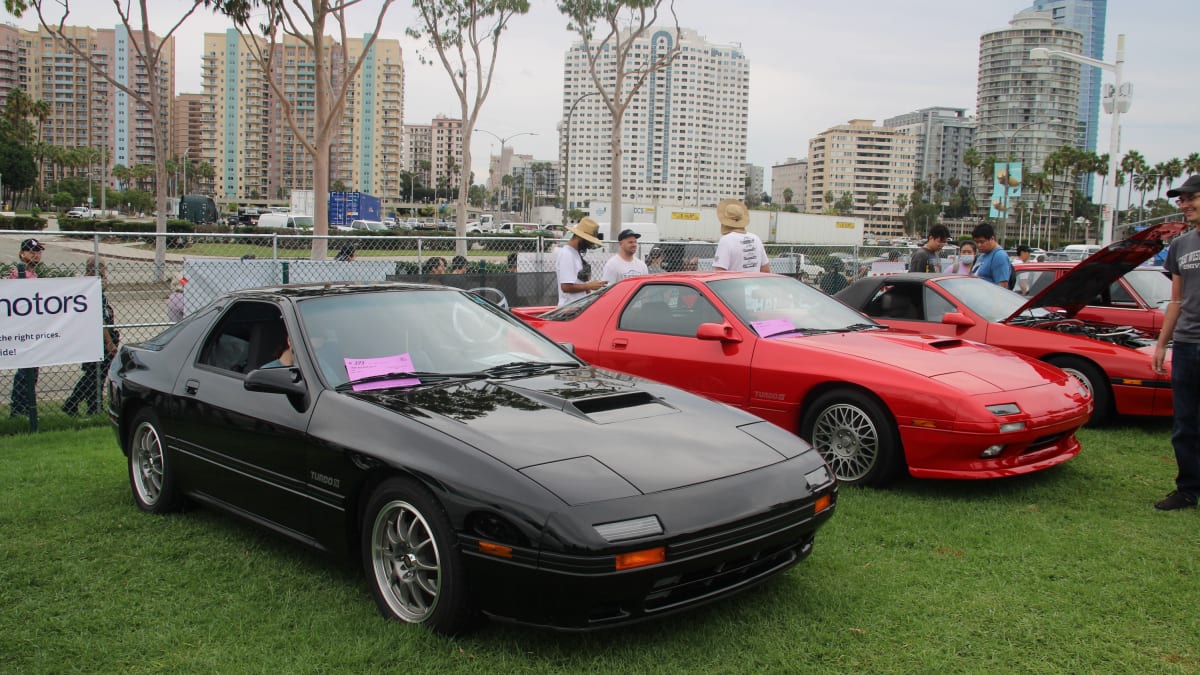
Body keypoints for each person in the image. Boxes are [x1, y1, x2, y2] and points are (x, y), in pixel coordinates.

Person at [1152, 174, 1200, 510]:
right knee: (1185, 422)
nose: (1184, 205)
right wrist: (1161, 343)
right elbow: (1176, 300)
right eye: (1181, 200)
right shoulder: (1181, 245)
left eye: (1190, 198)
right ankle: (1188, 489)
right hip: (1186, 344)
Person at [63, 258, 119, 416]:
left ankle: (93, 406)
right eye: (101, 267)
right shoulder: (91, 289)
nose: (104, 271)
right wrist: (109, 342)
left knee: (97, 375)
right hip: (99, 338)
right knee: (94, 374)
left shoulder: (98, 288)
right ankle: (72, 403)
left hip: (106, 334)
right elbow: (98, 317)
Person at [8, 238, 43, 429]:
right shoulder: (18, 275)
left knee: (32, 371)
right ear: (22, 254)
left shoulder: (34, 275)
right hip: (23, 332)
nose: (35, 254)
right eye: (31, 251)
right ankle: (18, 408)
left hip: (33, 332)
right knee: (25, 371)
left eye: (37, 251)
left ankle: (25, 407)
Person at [555, 217, 606, 306]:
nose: (590, 245)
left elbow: (576, 281)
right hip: (569, 310)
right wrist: (589, 286)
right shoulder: (567, 254)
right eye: (589, 241)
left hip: (576, 307)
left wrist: (588, 287)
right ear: (580, 237)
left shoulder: (574, 253)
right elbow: (566, 287)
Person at [713, 199, 769, 272]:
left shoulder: (726, 240)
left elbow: (719, 272)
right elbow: (766, 269)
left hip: (734, 283)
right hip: (755, 283)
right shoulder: (756, 239)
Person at [971, 222, 1012, 288]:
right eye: (976, 242)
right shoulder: (982, 255)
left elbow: (1002, 286)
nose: (979, 245)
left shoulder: (999, 256)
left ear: (992, 239)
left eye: (982, 242)